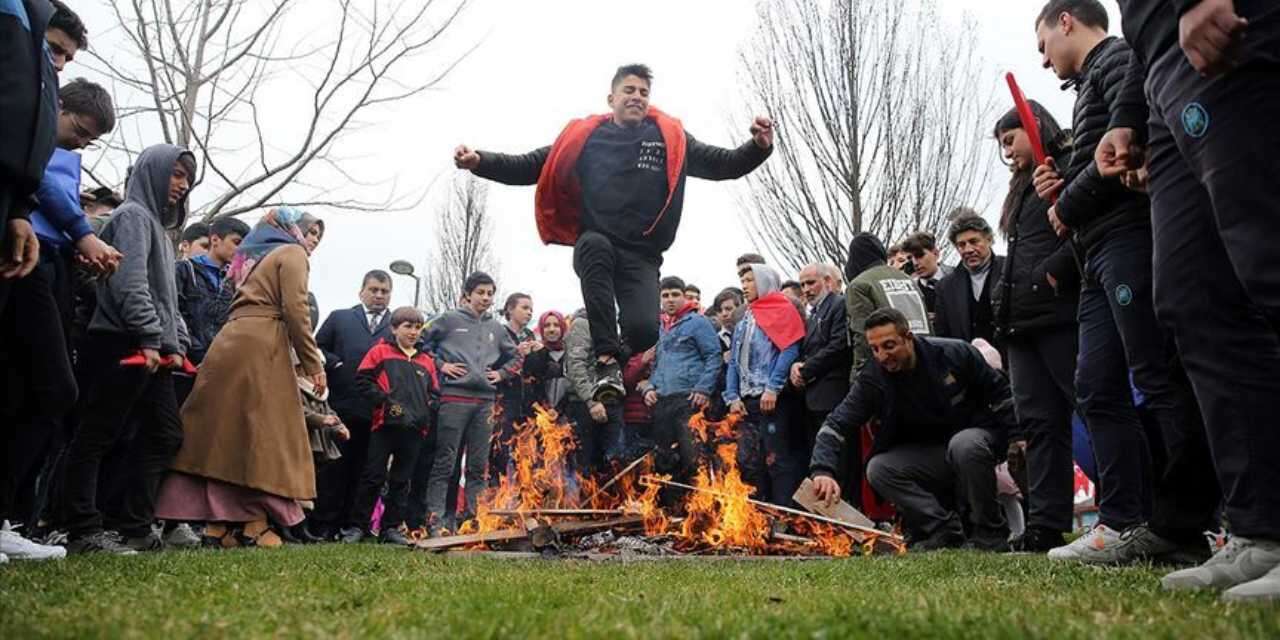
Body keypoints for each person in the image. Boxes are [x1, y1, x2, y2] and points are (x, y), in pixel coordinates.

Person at [1097, 0, 1280, 601]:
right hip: (1161, 76)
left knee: (1268, 259)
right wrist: (1127, 112)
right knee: (1189, 296)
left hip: (1225, 26)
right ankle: (1261, 529)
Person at [456, 64, 774, 404]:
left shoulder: (668, 137)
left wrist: (757, 146)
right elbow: (531, 164)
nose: (637, 97)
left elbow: (722, 164)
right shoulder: (587, 137)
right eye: (629, 90)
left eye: (643, 92)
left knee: (644, 329)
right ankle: (606, 360)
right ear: (612, 98)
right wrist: (480, 161)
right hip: (598, 243)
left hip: (642, 254)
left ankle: (615, 358)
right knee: (593, 246)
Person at [1033, 0, 1220, 565]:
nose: (1044, 62)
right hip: (1094, 254)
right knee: (1095, 386)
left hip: (1127, 240)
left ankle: (1197, 519)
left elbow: (1124, 151)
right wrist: (1063, 182)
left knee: (1155, 376)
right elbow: (1099, 157)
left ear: (1065, 21)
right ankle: (1122, 520)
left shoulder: (1117, 61)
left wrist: (1070, 196)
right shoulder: (1092, 84)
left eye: (1043, 46)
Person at [152, 207, 325, 549]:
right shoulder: (291, 253)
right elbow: (296, 310)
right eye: (310, 232)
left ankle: (220, 526)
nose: (312, 241)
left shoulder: (250, 257)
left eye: (318, 236)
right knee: (264, 437)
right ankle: (254, 524)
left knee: (224, 436)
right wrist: (311, 362)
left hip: (229, 341)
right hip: (263, 345)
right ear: (292, 229)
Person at [1, 78, 120, 558]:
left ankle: (8, 515)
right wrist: (82, 232)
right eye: (79, 128)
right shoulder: (28, 141)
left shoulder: (64, 157)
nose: (80, 141)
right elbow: (42, 187)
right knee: (52, 387)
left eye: (91, 139)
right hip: (26, 262)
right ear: (57, 105)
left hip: (49, 264)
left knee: (30, 390)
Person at [59, 144, 196, 555]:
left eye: (187, 178)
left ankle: (133, 524)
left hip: (155, 349)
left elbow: (166, 297)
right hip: (124, 342)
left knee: (163, 433)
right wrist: (151, 337)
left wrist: (176, 341)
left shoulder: (155, 225)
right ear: (152, 172)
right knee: (97, 434)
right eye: (175, 174)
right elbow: (129, 284)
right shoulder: (132, 216)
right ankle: (80, 528)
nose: (182, 185)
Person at [811, 308, 1015, 551]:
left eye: (889, 346)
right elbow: (836, 423)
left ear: (909, 337)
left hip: (974, 440)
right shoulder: (872, 379)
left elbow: (1002, 395)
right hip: (930, 455)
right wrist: (822, 470)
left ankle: (990, 533)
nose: (882, 356)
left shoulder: (954, 353)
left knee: (964, 445)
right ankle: (942, 529)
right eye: (875, 349)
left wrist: (1017, 438)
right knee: (879, 468)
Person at [991, 100, 1081, 553]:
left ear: (1034, 126)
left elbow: (1084, 226)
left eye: (1011, 138)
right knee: (1039, 424)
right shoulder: (1020, 187)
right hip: (1020, 322)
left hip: (1060, 313)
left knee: (1093, 408)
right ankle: (1047, 521)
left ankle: (1131, 509)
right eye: (1002, 144)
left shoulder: (1063, 166)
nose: (1007, 151)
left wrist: (1055, 270)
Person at [421, 272, 515, 534]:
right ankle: (436, 519)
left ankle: (473, 521)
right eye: (480, 293)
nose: (485, 298)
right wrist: (442, 365)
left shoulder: (497, 328)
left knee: (477, 465)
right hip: (454, 398)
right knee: (445, 462)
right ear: (467, 295)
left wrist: (502, 373)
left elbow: (515, 356)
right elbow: (420, 342)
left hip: (485, 402)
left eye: (489, 294)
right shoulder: (448, 320)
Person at [343, 307, 439, 546]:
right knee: (373, 476)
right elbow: (363, 380)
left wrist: (424, 413)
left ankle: (391, 528)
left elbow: (435, 393)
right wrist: (386, 403)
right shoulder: (379, 352)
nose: (413, 332)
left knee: (401, 480)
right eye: (407, 326)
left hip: (415, 430)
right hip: (384, 425)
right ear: (394, 328)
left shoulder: (426, 361)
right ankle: (358, 526)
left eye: (417, 327)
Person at [309, 270, 393, 539]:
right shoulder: (340, 317)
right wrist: (336, 363)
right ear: (361, 291)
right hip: (341, 407)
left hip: (377, 411)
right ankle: (324, 524)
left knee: (366, 470)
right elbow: (316, 347)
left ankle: (355, 525)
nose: (379, 295)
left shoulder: (397, 325)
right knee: (334, 467)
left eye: (384, 291)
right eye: (374, 289)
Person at [725, 263, 805, 506]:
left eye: (750, 280)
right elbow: (734, 363)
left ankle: (783, 513)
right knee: (750, 459)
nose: (745, 285)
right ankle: (756, 517)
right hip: (747, 401)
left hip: (772, 399)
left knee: (777, 458)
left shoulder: (782, 309)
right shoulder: (744, 319)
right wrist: (732, 396)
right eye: (743, 281)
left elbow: (790, 348)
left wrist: (773, 387)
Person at [644, 276, 721, 483]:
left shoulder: (698, 322)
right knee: (665, 459)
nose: (670, 300)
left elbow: (714, 356)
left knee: (694, 457)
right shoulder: (663, 327)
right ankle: (672, 511)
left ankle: (703, 509)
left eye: (675, 295)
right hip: (663, 402)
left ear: (684, 297)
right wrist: (650, 387)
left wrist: (704, 389)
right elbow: (659, 364)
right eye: (665, 295)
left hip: (689, 401)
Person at [844, 233, 930, 376]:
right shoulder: (908, 279)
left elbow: (863, 337)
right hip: (924, 361)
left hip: (890, 369)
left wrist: (859, 376)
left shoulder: (859, 285)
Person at [789, 264, 851, 451]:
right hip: (814, 397)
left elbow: (839, 346)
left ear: (827, 281)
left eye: (811, 283)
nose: (806, 290)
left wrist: (805, 369)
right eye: (803, 285)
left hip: (833, 395)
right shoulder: (814, 314)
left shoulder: (838, 304)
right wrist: (795, 366)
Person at [175, 216, 249, 367]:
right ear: (215, 240)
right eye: (236, 242)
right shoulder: (184, 270)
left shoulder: (235, 283)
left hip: (219, 365)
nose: (241, 250)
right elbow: (174, 312)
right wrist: (197, 353)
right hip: (183, 361)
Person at [563, 308, 626, 479]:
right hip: (586, 405)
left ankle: (612, 505)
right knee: (586, 469)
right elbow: (575, 365)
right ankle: (585, 505)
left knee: (614, 466)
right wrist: (591, 401)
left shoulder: (615, 327)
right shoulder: (582, 324)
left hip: (613, 403)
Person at [933, 214, 1006, 355]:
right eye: (961, 245)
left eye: (974, 241)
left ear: (989, 240)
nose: (968, 249)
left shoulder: (1009, 270)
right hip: (969, 368)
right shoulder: (946, 287)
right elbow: (943, 334)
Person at [492, 292, 537, 483]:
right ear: (510, 309)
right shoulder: (499, 333)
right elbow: (492, 364)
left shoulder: (530, 335)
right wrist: (516, 355)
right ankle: (494, 494)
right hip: (503, 402)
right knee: (500, 451)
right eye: (524, 308)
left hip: (526, 404)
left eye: (531, 309)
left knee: (526, 456)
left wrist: (538, 354)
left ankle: (522, 501)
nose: (529, 313)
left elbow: (536, 373)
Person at [522, 311, 572, 416]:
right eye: (547, 326)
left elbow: (573, 387)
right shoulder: (535, 353)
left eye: (556, 325)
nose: (552, 329)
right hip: (541, 416)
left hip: (568, 415)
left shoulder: (571, 354)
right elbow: (531, 385)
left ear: (563, 328)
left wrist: (558, 409)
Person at [899, 231, 952, 320]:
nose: (915, 263)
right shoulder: (910, 290)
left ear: (936, 253)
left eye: (920, 255)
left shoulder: (959, 280)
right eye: (910, 258)